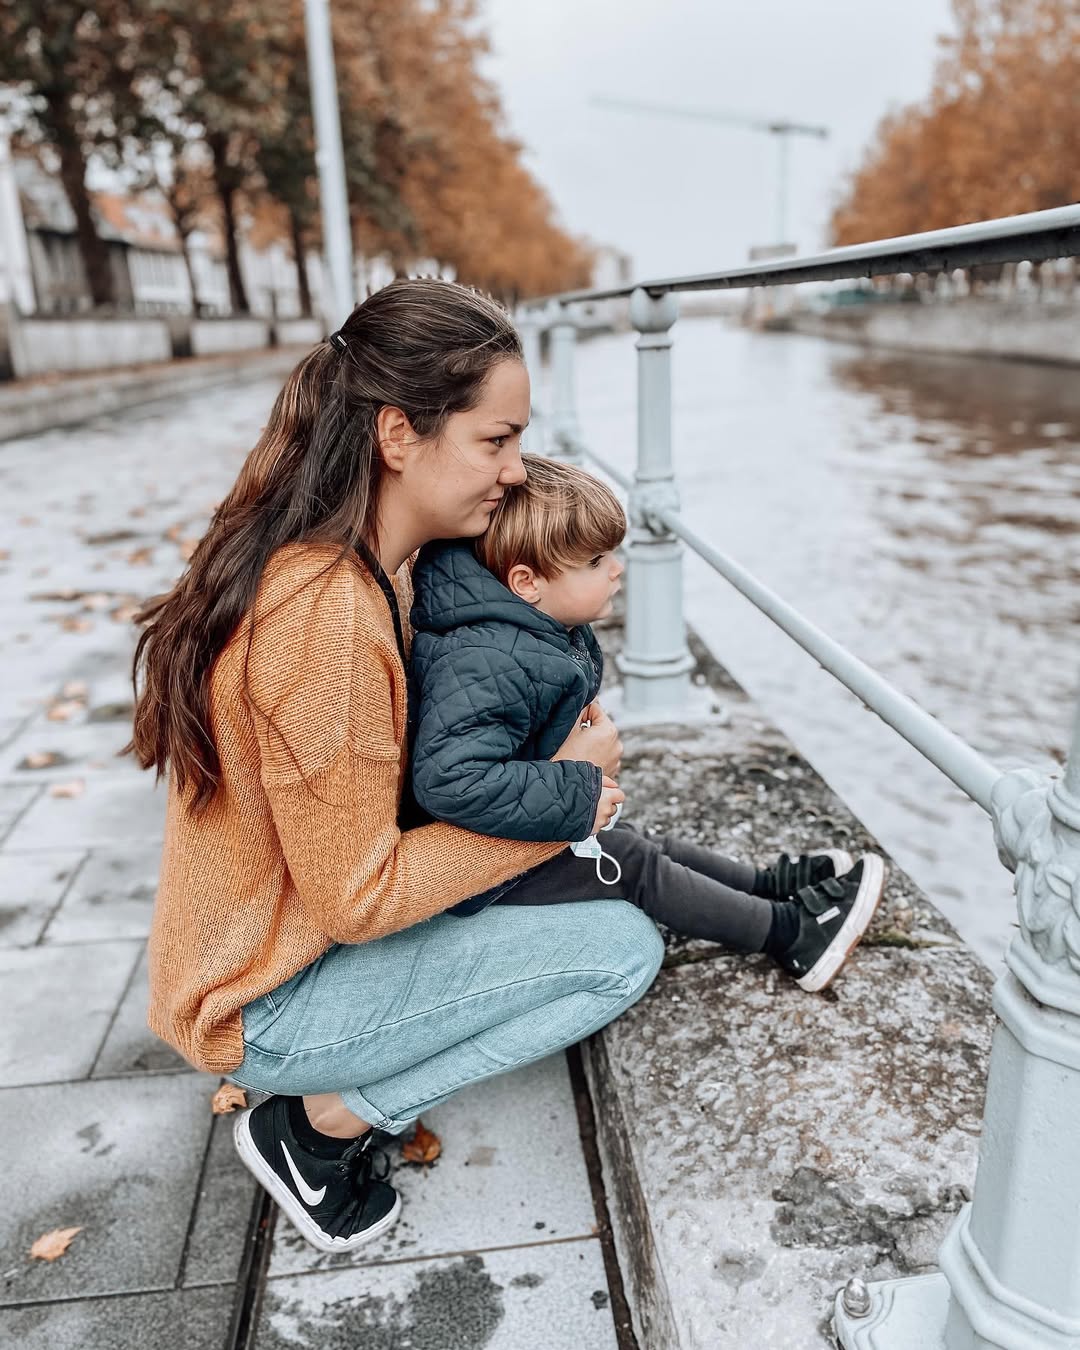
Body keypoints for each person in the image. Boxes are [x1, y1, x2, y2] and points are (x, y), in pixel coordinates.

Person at [127, 279, 665, 1256]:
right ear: (398, 436)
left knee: (593, 893)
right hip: (265, 1000)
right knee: (621, 953)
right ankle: (321, 1125)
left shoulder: (371, 561)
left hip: (265, 949)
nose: (516, 470)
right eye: (494, 441)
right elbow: (358, 900)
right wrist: (569, 802)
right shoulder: (323, 615)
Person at [407, 455, 886, 988]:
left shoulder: (525, 631)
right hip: (479, 875)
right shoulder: (487, 658)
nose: (617, 569)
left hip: (508, 827)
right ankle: (791, 934)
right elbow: (448, 780)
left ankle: (767, 885)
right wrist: (575, 783)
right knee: (632, 859)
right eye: (595, 561)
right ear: (527, 582)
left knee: (642, 840)